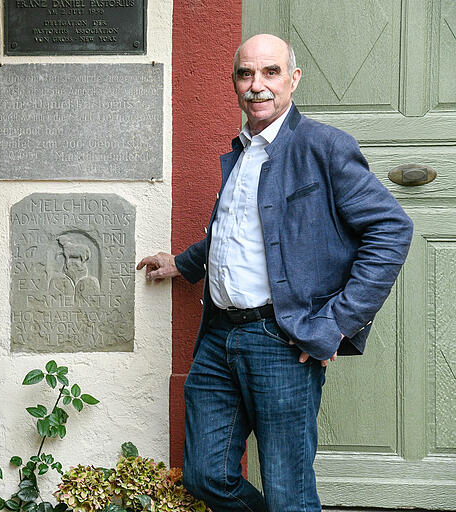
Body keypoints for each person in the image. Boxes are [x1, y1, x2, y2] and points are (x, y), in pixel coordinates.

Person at [137, 34, 413, 511]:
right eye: (245, 74)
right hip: (218, 337)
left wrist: (332, 324)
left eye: (270, 73)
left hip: (281, 340)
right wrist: (183, 264)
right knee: (205, 475)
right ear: (234, 83)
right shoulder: (242, 152)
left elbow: (392, 230)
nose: (256, 85)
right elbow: (240, 234)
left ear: (293, 79)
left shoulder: (324, 147)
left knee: (288, 493)